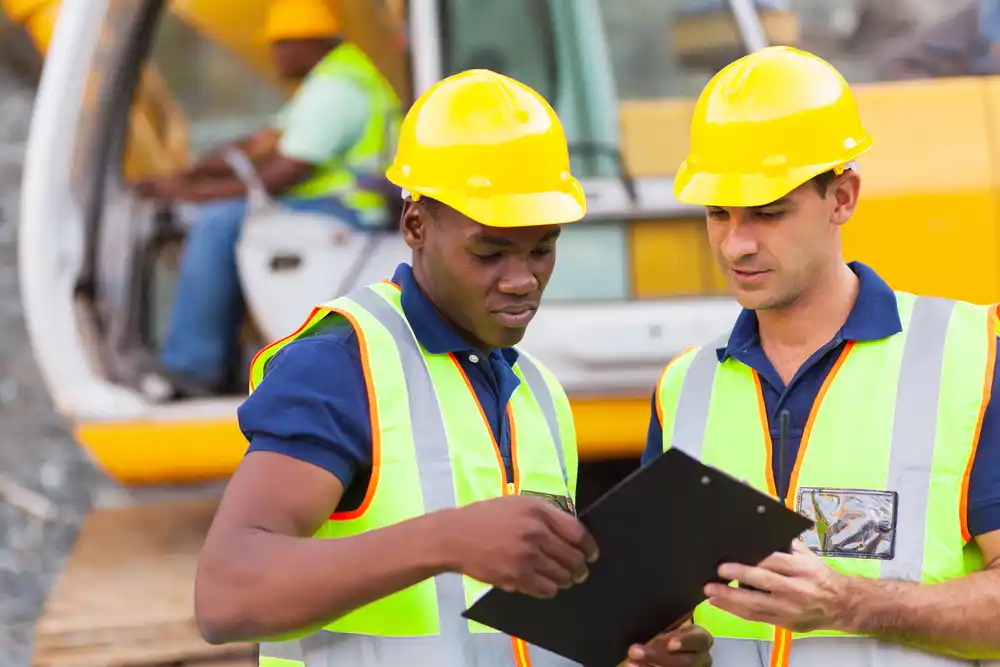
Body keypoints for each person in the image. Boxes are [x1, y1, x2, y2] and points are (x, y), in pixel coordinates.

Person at [193, 69, 713, 667]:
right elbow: (225, 595)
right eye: (488, 252)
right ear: (415, 226)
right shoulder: (342, 364)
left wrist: (630, 655)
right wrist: (446, 540)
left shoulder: (536, 394)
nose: (522, 280)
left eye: (542, 247)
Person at [643, 45, 1000, 666]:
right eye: (717, 214)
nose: (736, 244)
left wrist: (848, 603)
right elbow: (663, 608)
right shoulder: (684, 388)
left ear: (842, 197)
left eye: (768, 213)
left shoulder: (970, 358)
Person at [135, 0, 402, 399]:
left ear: (306, 42)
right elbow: (265, 144)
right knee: (220, 214)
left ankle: (194, 364)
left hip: (349, 210)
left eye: (280, 45)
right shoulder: (331, 79)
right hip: (334, 203)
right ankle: (220, 357)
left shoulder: (338, 88)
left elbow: (284, 172)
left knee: (219, 222)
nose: (273, 54)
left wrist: (195, 193)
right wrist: (190, 176)